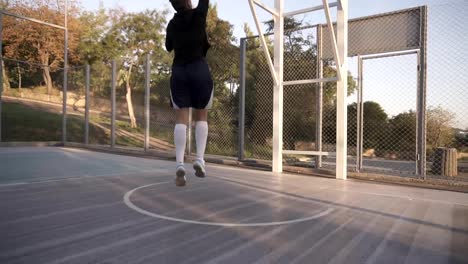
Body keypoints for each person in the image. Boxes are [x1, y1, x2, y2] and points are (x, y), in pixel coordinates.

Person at [166, 0, 212, 186]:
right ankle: (199, 159)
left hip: (179, 71)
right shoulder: (198, 15)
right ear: (187, 1)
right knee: (202, 115)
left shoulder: (172, 23)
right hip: (198, 69)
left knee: (181, 119)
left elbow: (169, 46)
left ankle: (179, 164)